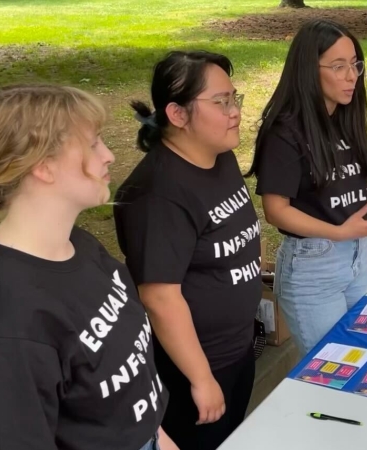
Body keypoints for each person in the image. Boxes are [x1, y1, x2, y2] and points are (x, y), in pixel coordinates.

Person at [0, 84, 177, 450]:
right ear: (43, 166)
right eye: (93, 143)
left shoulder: (79, 245)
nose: (110, 156)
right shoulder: (12, 320)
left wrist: (159, 437)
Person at [113, 51, 261, 450]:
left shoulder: (219, 157)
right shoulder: (156, 195)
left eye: (235, 99)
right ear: (177, 114)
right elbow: (160, 296)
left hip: (237, 350)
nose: (235, 112)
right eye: (221, 102)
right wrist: (201, 378)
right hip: (193, 369)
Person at [246, 18, 367, 356]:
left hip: (356, 258)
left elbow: (357, 186)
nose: (351, 76)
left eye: (355, 65)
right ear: (309, 69)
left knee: (359, 357)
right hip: (313, 266)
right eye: (338, 67)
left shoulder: (343, 117)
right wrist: (336, 232)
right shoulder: (285, 131)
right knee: (332, 365)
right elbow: (276, 211)